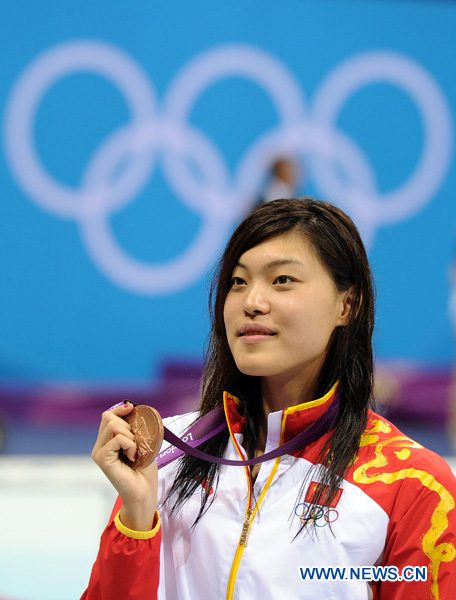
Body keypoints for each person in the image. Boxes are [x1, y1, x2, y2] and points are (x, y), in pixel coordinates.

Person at [82, 198, 456, 600]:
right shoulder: (166, 457)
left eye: (282, 281)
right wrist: (137, 513)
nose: (251, 302)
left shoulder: (413, 486)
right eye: (238, 282)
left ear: (347, 304)